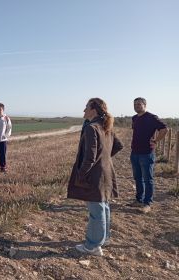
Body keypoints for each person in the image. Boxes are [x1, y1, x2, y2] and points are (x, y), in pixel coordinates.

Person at [67, 98, 123, 257]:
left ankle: (93, 246)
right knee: (103, 206)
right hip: (106, 172)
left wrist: (80, 174)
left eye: (86, 107)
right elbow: (118, 146)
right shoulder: (107, 127)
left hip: (94, 175)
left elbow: (89, 157)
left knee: (96, 211)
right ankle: (103, 239)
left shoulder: (92, 128)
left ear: (94, 110)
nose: (84, 110)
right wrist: (104, 158)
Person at [130, 97, 167, 213]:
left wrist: (156, 141)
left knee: (148, 179)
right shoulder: (134, 118)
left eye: (139, 104)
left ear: (145, 105)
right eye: (135, 104)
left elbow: (164, 129)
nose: (137, 106)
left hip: (146, 153)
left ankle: (148, 203)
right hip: (134, 152)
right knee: (138, 178)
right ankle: (139, 200)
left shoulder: (151, 117)